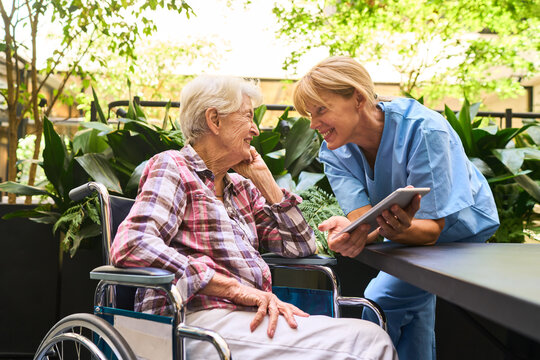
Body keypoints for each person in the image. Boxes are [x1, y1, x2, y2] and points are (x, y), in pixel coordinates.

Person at [110, 74, 397, 359]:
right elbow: (133, 243)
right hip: (188, 320)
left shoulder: (241, 189)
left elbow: (301, 247)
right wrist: (232, 288)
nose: (256, 130)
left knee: (366, 337)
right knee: (369, 342)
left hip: (245, 322)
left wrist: (267, 183)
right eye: (248, 117)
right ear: (215, 120)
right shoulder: (173, 167)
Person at [293, 56, 500, 360]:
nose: (313, 124)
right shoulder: (334, 152)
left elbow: (431, 231)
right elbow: (362, 221)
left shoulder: (424, 130)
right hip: (405, 236)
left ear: (358, 99)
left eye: (321, 110)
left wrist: (386, 230)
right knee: (413, 315)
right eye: (309, 114)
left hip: (461, 231)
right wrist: (352, 231)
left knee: (381, 301)